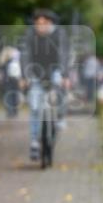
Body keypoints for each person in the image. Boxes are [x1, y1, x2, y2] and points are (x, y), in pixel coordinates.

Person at [20, 9, 71, 160]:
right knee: (35, 107)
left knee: (60, 88)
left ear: (51, 23)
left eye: (44, 23)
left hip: (55, 69)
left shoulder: (59, 35)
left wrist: (65, 76)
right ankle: (35, 141)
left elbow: (64, 56)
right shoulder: (30, 35)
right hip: (36, 71)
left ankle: (60, 116)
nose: (40, 26)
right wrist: (24, 76)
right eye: (38, 23)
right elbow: (25, 55)